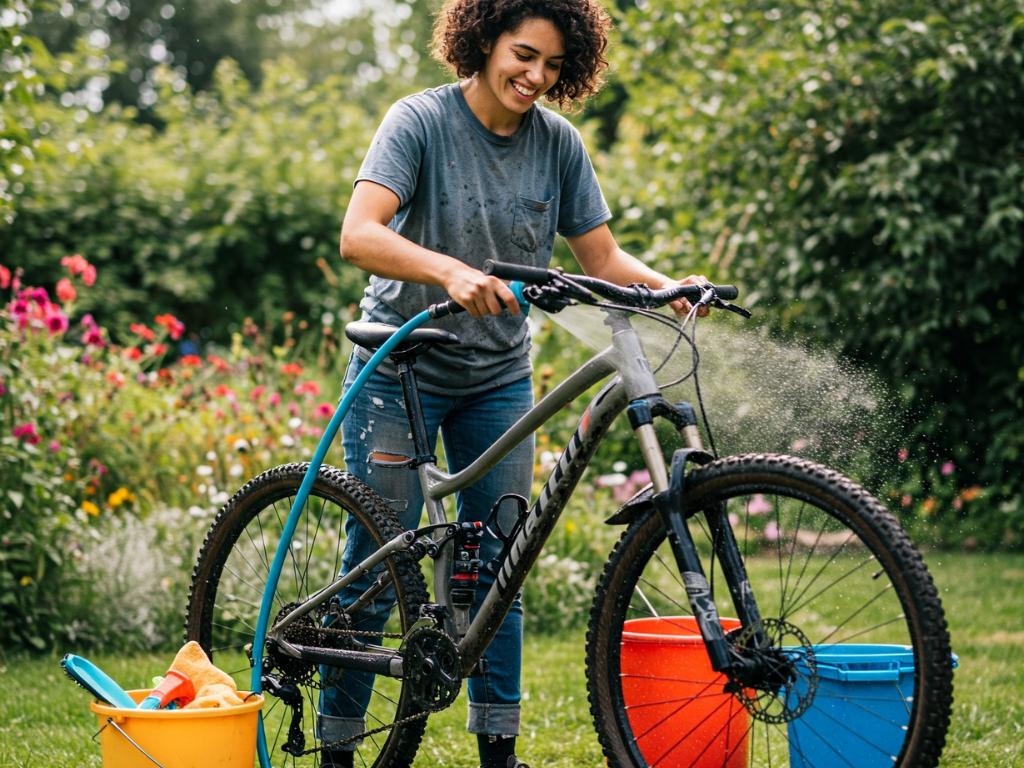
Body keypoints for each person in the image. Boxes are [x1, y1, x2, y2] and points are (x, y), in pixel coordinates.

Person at [323, 1, 710, 766]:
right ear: (483, 41)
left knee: (502, 561)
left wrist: (669, 289)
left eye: (553, 66)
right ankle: (339, 750)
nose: (535, 76)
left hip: (497, 374)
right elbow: (358, 234)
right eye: (523, 55)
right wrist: (451, 271)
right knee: (381, 559)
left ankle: (498, 753)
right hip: (400, 362)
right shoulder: (420, 122)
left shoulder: (557, 144)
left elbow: (600, 260)